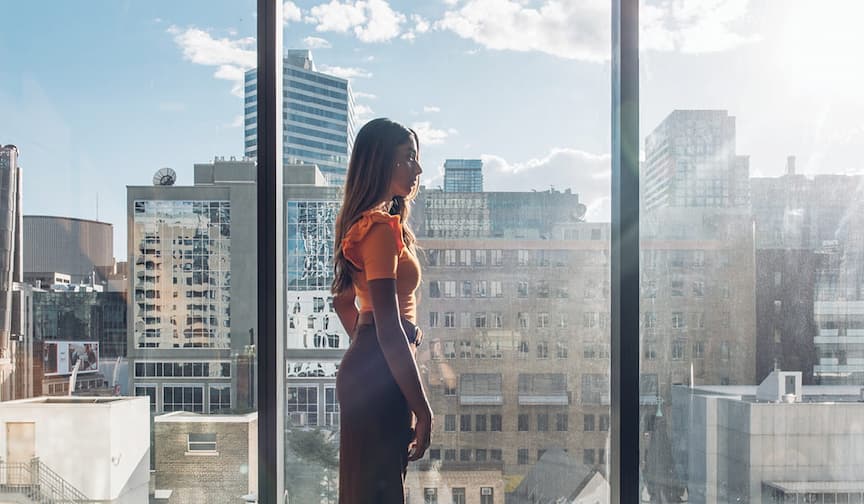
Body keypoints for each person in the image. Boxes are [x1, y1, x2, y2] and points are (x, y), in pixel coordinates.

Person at [331, 118, 432, 503]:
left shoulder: (364, 226)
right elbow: (388, 326)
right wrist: (424, 411)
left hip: (375, 368)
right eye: (408, 158)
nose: (417, 169)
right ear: (380, 162)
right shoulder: (377, 230)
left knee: (369, 491)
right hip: (382, 372)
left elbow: (344, 303)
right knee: (380, 492)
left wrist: (367, 349)